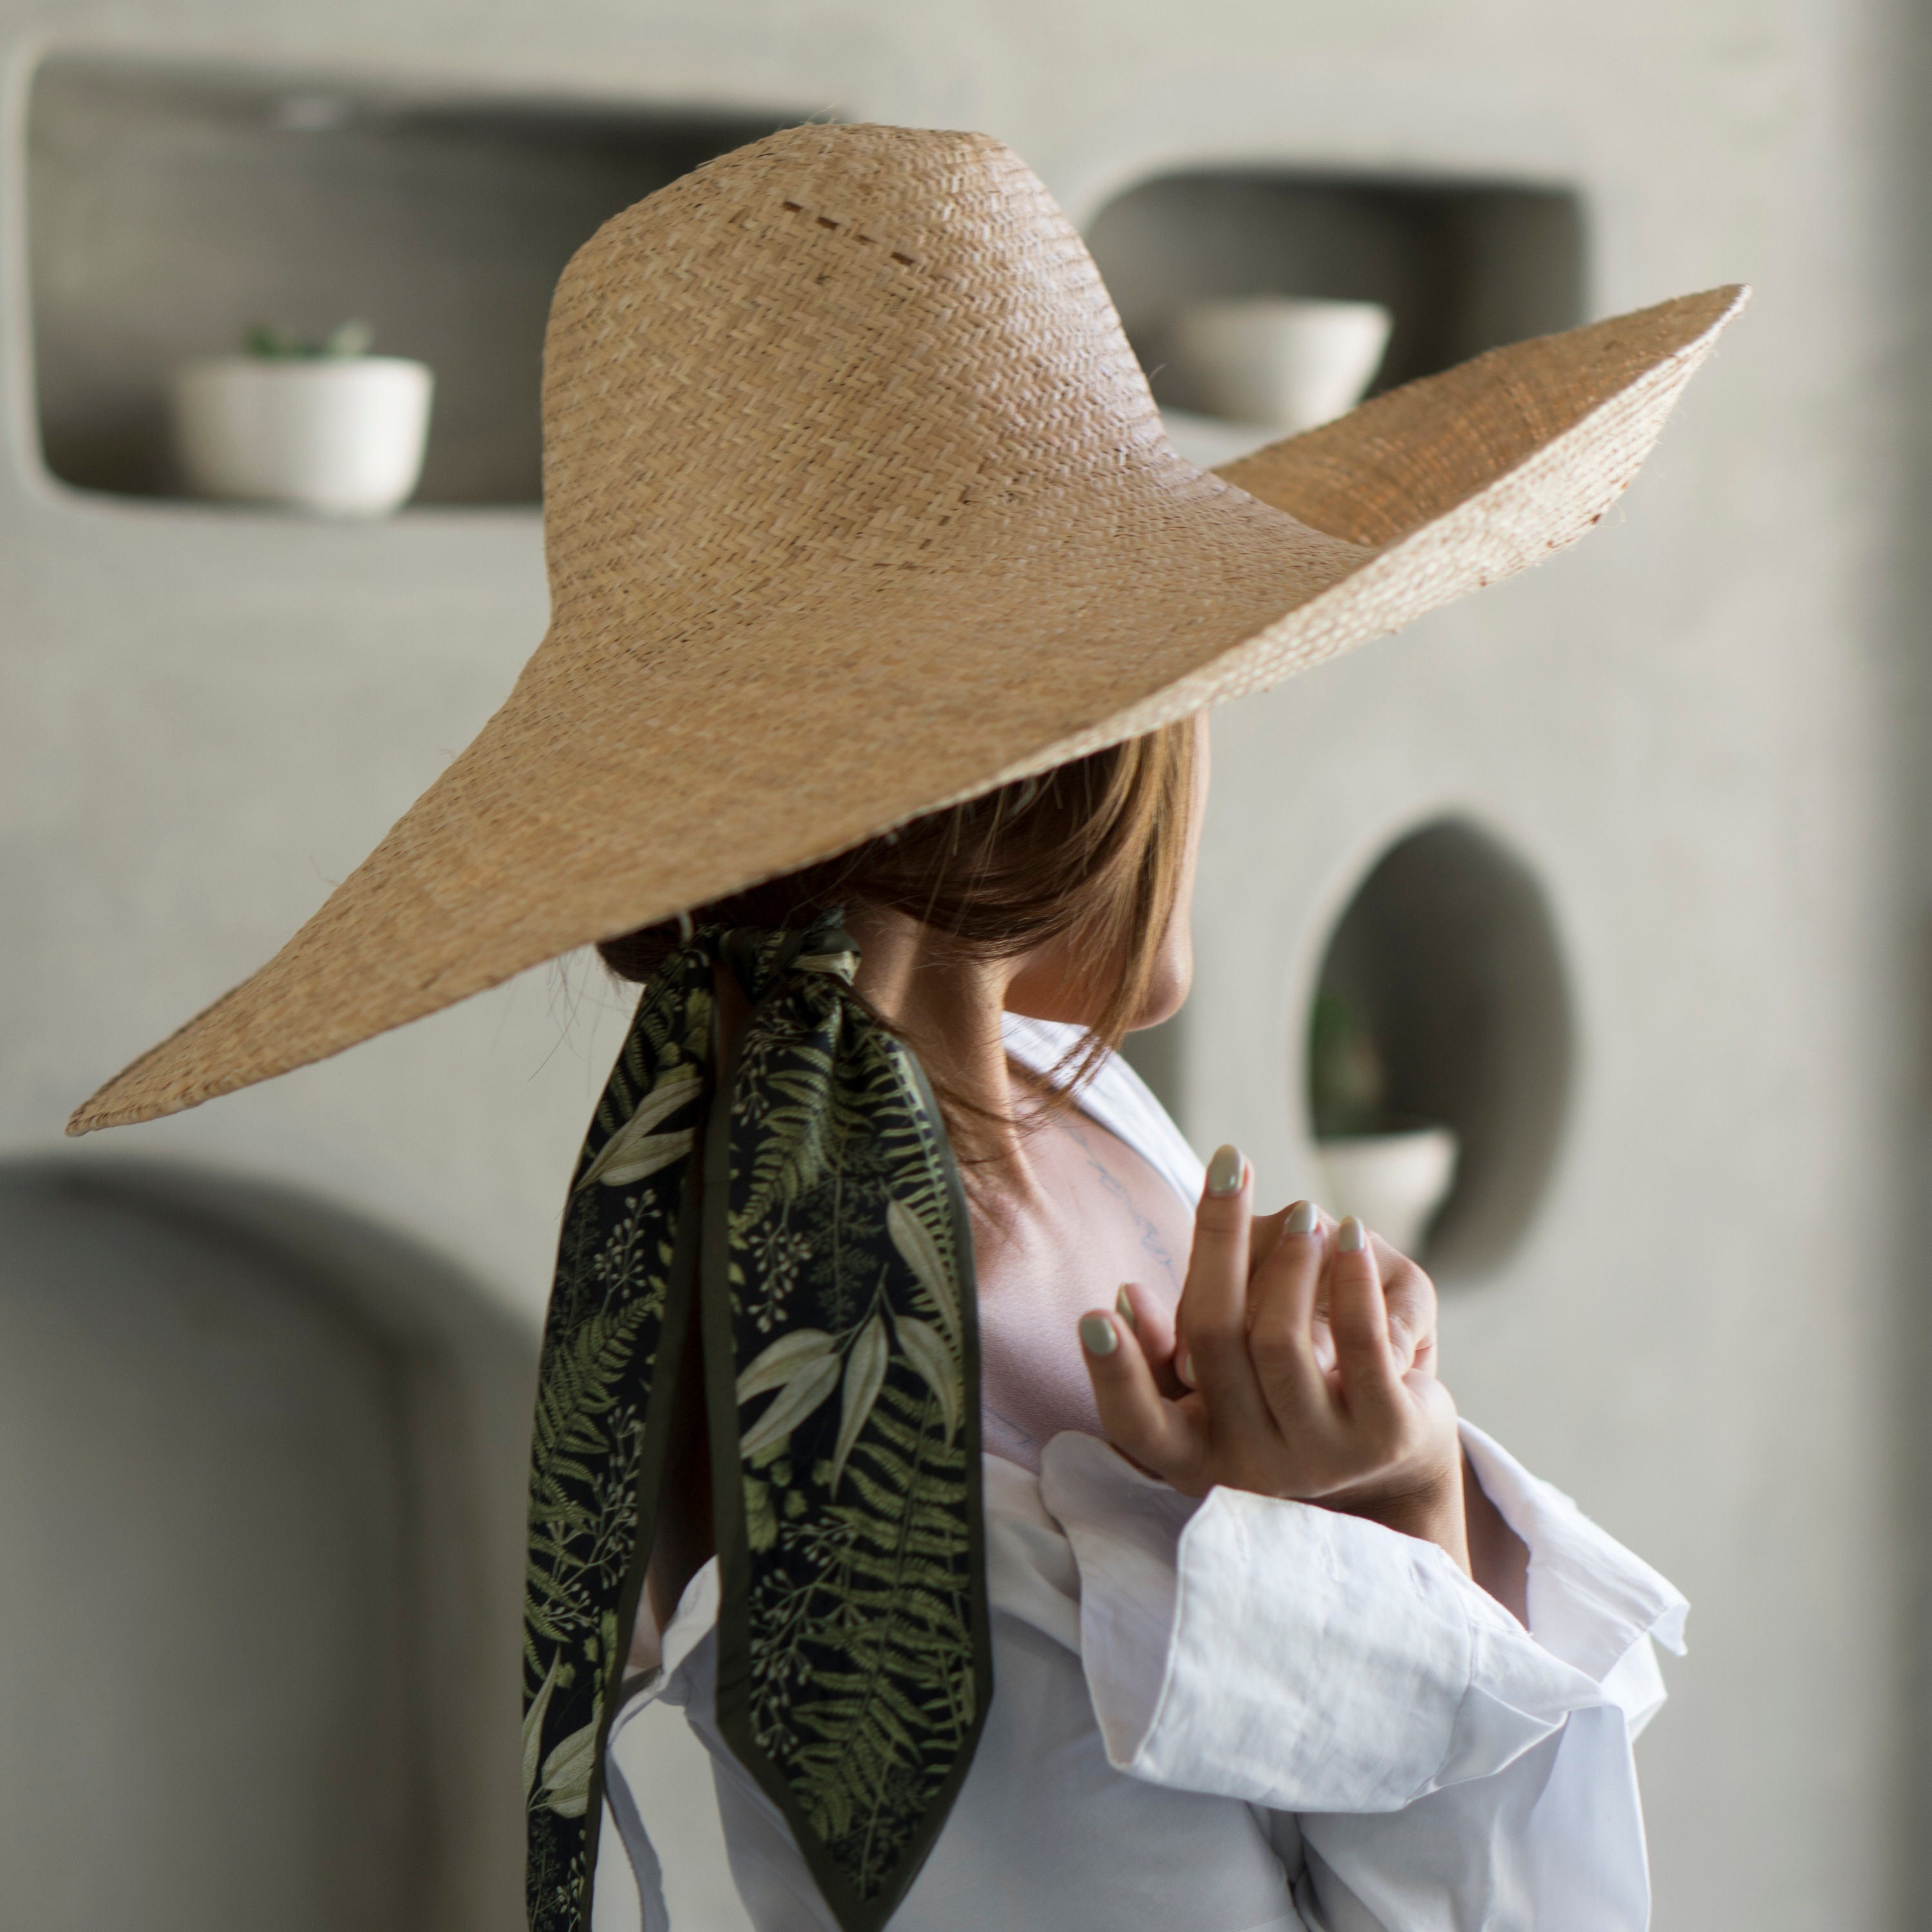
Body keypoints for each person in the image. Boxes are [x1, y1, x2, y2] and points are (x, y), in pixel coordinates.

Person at [67, 124, 1742, 1932]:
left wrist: (1382, 1506)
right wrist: (1396, 1541)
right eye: (1189, 680)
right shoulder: (862, 1320)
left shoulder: (1009, 1118)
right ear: (1072, 752)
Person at [592, 714, 1683, 1932]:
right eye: (1201, 678)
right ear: (1053, 725)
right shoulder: (860, 1391)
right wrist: (1404, 1526)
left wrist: (1361, 1431)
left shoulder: (1049, 1091)